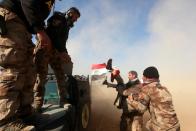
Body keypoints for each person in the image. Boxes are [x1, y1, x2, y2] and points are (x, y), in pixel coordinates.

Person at [0, 0, 54, 130]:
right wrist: (40, 31)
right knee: (15, 67)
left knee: (29, 71)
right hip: (12, 18)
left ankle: (25, 114)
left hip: (23, 26)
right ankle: (5, 121)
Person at [33, 7, 80, 112]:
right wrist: (63, 52)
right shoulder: (59, 17)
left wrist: (65, 54)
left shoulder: (66, 26)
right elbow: (53, 35)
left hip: (55, 52)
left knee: (60, 75)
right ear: (70, 13)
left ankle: (63, 100)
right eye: (76, 17)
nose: (76, 20)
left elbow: (62, 43)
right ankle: (38, 104)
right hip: (45, 47)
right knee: (41, 77)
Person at [127, 66, 180, 131]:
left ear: (147, 77)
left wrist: (131, 100)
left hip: (162, 128)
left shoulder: (147, 88)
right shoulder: (164, 89)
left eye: (143, 76)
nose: (142, 78)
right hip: (175, 126)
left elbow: (141, 108)